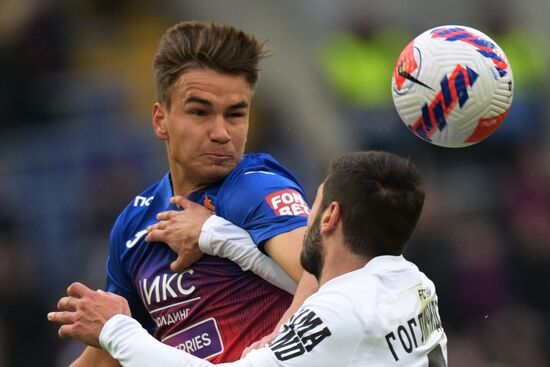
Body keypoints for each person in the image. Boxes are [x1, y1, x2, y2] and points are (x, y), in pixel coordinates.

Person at [62, 20, 319, 366]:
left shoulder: (254, 187)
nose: (221, 133)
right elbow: (107, 354)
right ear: (160, 120)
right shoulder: (133, 224)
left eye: (235, 114)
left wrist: (276, 341)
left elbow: (325, 275)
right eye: (200, 112)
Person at [49, 150, 448, 366]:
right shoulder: (415, 285)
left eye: (314, 203)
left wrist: (116, 328)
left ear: (330, 217)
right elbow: (322, 279)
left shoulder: (343, 312)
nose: (304, 216)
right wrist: (216, 235)